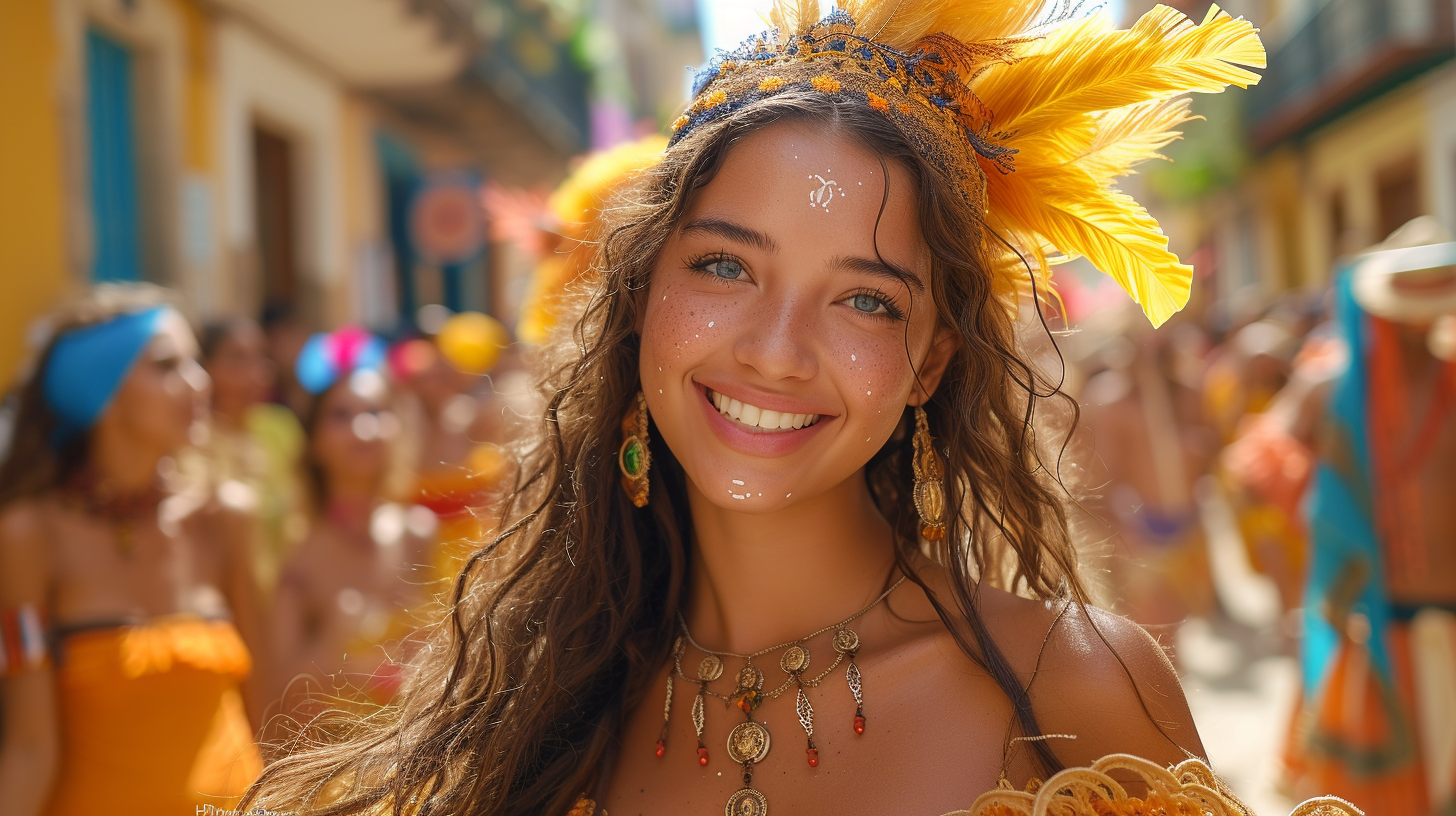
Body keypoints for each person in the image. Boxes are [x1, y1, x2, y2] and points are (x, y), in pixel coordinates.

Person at [243, 3, 1355, 815]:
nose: (776, 352)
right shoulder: (531, 714)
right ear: (638, 303)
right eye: (726, 268)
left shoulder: (1071, 692)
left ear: (930, 363)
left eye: (865, 299)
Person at [0, 285, 264, 815]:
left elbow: (270, 708)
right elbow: (30, 746)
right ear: (98, 391)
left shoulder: (224, 519)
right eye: (167, 366)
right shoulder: (28, 537)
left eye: (195, 362)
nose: (200, 382)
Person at [1234, 218, 1456, 816]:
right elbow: (1254, 463)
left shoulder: (1453, 372)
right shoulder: (1332, 381)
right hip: (1373, 630)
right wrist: (1336, 517)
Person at [269, 327, 435, 715]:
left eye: (376, 412)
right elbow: (274, 702)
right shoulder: (296, 558)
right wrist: (331, 646)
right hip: (338, 766)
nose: (365, 429)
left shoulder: (420, 533)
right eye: (341, 415)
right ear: (314, 442)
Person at [190, 317, 308, 596]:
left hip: (288, 598)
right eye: (238, 359)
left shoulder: (280, 428)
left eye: (261, 357)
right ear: (204, 369)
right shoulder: (191, 440)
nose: (259, 371)